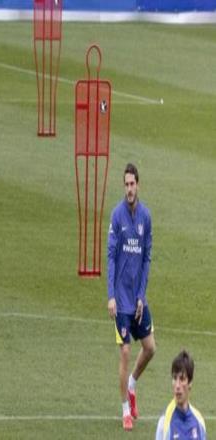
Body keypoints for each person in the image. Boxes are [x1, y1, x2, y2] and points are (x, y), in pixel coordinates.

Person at [107, 163, 155, 431]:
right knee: (125, 351)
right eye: (126, 185)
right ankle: (125, 410)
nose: (129, 189)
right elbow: (111, 257)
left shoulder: (145, 217)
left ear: (138, 185)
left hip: (137, 298)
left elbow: (146, 258)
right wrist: (111, 296)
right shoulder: (117, 216)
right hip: (121, 300)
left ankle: (132, 385)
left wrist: (141, 296)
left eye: (132, 184)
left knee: (150, 348)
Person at [155, 350, 206, 440]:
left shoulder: (199, 421)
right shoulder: (165, 422)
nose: (177, 386)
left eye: (182, 379)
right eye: (175, 378)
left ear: (190, 383)